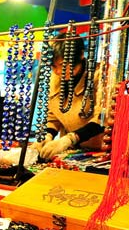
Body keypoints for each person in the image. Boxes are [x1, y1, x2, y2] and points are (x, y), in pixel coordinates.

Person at [31, 32, 103, 160]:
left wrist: (70, 139)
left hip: (98, 148)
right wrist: (47, 136)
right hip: (70, 151)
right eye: (54, 66)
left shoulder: (100, 75)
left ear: (81, 55)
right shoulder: (54, 78)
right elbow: (52, 117)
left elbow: (102, 117)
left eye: (64, 65)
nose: (58, 71)